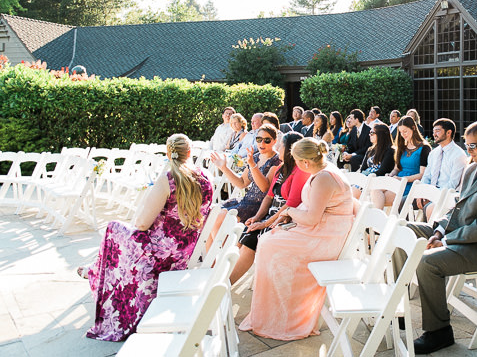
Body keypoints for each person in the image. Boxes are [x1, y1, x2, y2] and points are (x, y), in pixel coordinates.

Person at [393, 121, 477, 355]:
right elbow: (457, 208)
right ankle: (398, 306)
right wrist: (440, 231)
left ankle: (439, 332)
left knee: (428, 262)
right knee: (402, 230)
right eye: (467, 145)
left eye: (473, 146)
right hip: (458, 233)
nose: (468, 151)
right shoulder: (474, 168)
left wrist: (446, 241)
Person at [83, 134, 213, 341]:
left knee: (113, 228)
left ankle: (95, 272)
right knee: (122, 233)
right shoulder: (206, 178)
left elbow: (142, 224)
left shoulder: (168, 179)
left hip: (157, 256)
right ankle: (94, 269)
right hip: (185, 252)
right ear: (190, 153)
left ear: (169, 153)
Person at [239, 138, 356, 340]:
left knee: (268, 245)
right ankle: (276, 309)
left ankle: (284, 316)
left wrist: (291, 212)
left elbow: (311, 218)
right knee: (269, 241)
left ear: (305, 162)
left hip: (325, 236)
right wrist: (287, 216)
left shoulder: (323, 178)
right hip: (321, 229)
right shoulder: (321, 171)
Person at [229, 132, 309, 285]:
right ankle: (221, 280)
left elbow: (290, 204)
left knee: (250, 241)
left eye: (281, 145)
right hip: (269, 216)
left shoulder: (300, 171)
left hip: (284, 219)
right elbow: (269, 197)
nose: (278, 147)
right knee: (246, 233)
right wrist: (257, 218)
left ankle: (226, 284)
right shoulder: (280, 169)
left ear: (290, 150)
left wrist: (264, 224)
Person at [212, 124, 282, 222]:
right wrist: (224, 168)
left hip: (260, 206)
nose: (262, 143)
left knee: (223, 217)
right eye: (259, 139)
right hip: (246, 200)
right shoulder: (256, 157)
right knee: (213, 212)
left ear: (275, 141)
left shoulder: (277, 160)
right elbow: (242, 183)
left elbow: (264, 187)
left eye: (267, 140)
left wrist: (253, 165)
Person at [372, 115, 431, 210]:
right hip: (397, 180)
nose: (403, 135)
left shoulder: (424, 148)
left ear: (413, 128)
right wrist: (391, 174)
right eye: (400, 132)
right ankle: (377, 222)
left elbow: (422, 174)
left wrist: (402, 179)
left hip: (411, 184)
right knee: (375, 189)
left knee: (378, 200)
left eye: (405, 131)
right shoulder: (402, 147)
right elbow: (397, 168)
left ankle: (378, 222)